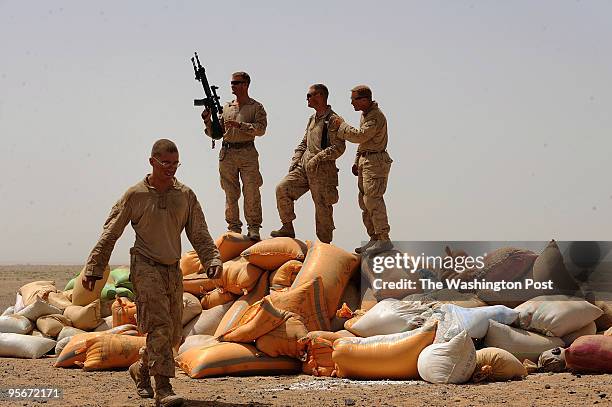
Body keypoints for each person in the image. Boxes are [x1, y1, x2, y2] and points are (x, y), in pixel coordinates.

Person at [81, 139, 222, 407]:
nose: (171, 169)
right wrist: (94, 268)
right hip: (145, 265)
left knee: (171, 336)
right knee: (159, 326)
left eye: (175, 163)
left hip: (172, 268)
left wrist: (212, 259)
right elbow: (111, 232)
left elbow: (199, 232)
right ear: (152, 162)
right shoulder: (136, 195)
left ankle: (141, 369)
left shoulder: (185, 195)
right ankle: (164, 389)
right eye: (165, 163)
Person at [271, 84, 345, 243]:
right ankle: (287, 227)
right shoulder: (312, 119)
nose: (307, 99)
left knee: (322, 206)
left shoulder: (333, 120)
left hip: (322, 170)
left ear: (320, 96)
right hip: (303, 167)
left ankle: (325, 244)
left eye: (310, 95)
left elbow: (339, 147)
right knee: (282, 188)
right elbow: (304, 142)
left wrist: (318, 158)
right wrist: (296, 159)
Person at [201, 71, 267, 241]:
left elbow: (261, 129)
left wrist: (240, 125)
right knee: (230, 193)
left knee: (251, 190)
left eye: (236, 83)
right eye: (232, 83)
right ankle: (234, 228)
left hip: (247, 153)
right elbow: (216, 134)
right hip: (227, 153)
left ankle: (253, 227)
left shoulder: (256, 107)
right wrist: (208, 121)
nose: (233, 86)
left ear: (245, 85)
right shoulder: (226, 108)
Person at [330, 85, 393, 255]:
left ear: (364, 100)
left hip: (376, 162)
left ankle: (383, 239)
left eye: (354, 100)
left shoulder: (376, 117)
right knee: (364, 202)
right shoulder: (365, 115)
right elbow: (363, 143)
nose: (351, 104)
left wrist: (342, 126)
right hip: (367, 160)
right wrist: (357, 160)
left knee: (373, 200)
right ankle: (374, 238)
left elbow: (360, 136)